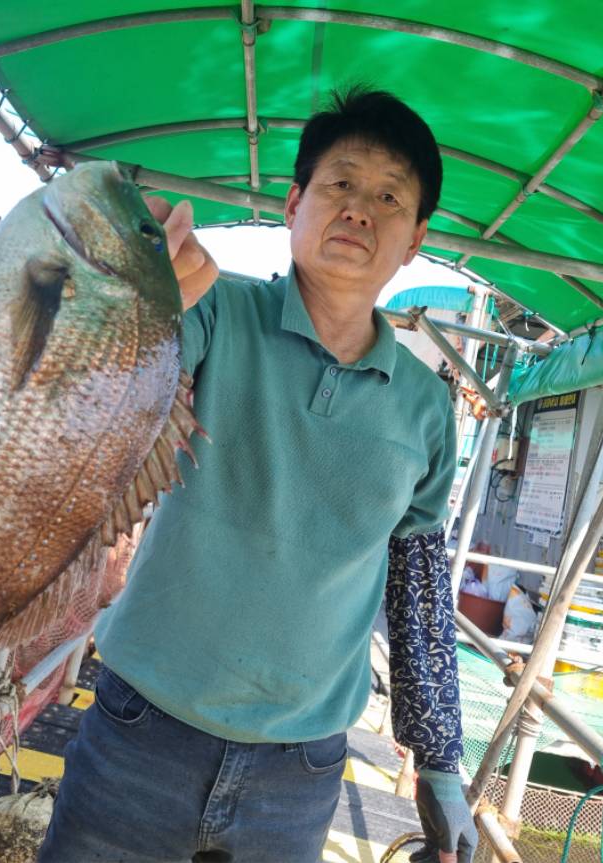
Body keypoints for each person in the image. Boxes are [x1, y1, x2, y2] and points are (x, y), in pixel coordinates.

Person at [37, 86, 476, 863]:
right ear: (294, 203)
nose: (359, 209)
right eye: (340, 184)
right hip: (141, 733)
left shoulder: (426, 408)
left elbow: (416, 586)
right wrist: (130, 298)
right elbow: (91, 398)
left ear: (415, 239)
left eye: (388, 197)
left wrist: (440, 763)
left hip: (299, 773)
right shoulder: (212, 309)